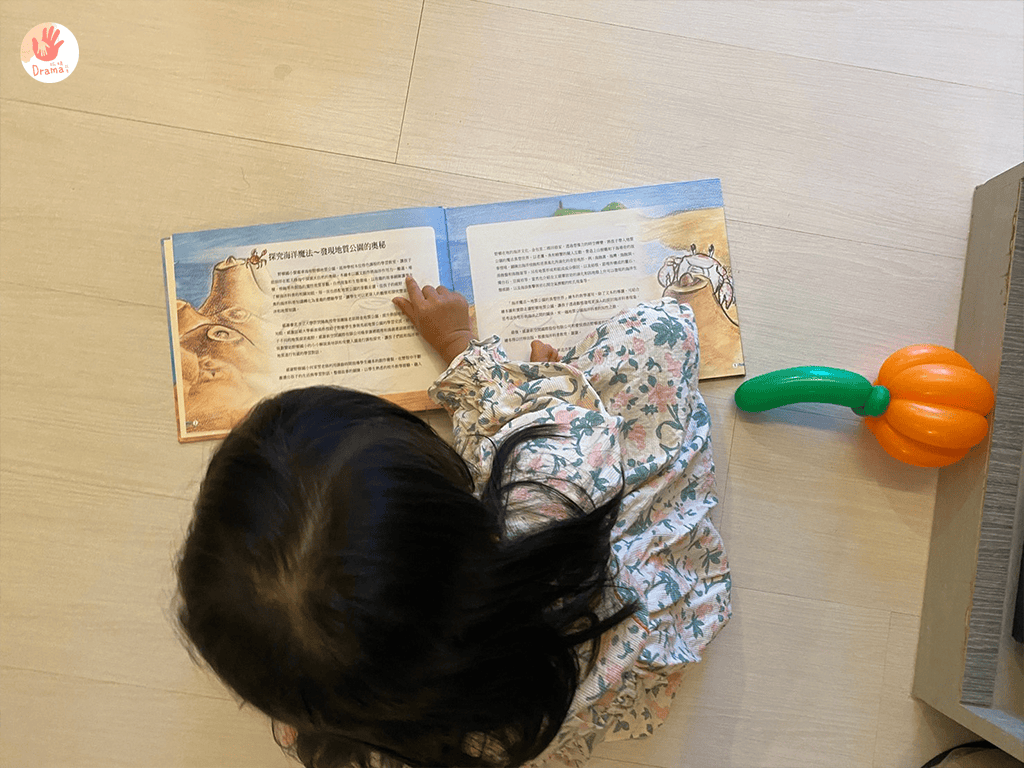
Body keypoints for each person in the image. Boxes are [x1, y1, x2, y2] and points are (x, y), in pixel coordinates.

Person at [176, 277, 731, 768]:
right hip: (618, 629)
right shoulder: (548, 494)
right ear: (472, 521)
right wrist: (482, 358)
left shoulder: (333, 698)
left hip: (515, 728)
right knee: (659, 330)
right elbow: (565, 427)